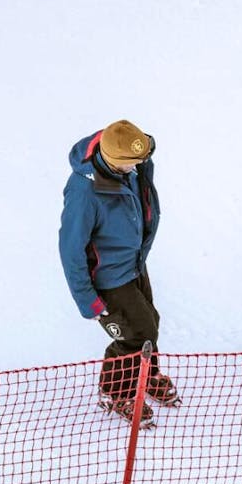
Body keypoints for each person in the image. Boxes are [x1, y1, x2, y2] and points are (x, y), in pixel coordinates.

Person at [59, 120, 178, 427]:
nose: (137, 168)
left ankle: (146, 377)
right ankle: (117, 392)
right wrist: (89, 301)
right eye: (131, 165)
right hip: (108, 275)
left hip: (134, 263)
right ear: (113, 160)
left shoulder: (133, 165)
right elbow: (71, 250)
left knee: (150, 324)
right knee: (132, 336)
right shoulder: (85, 192)